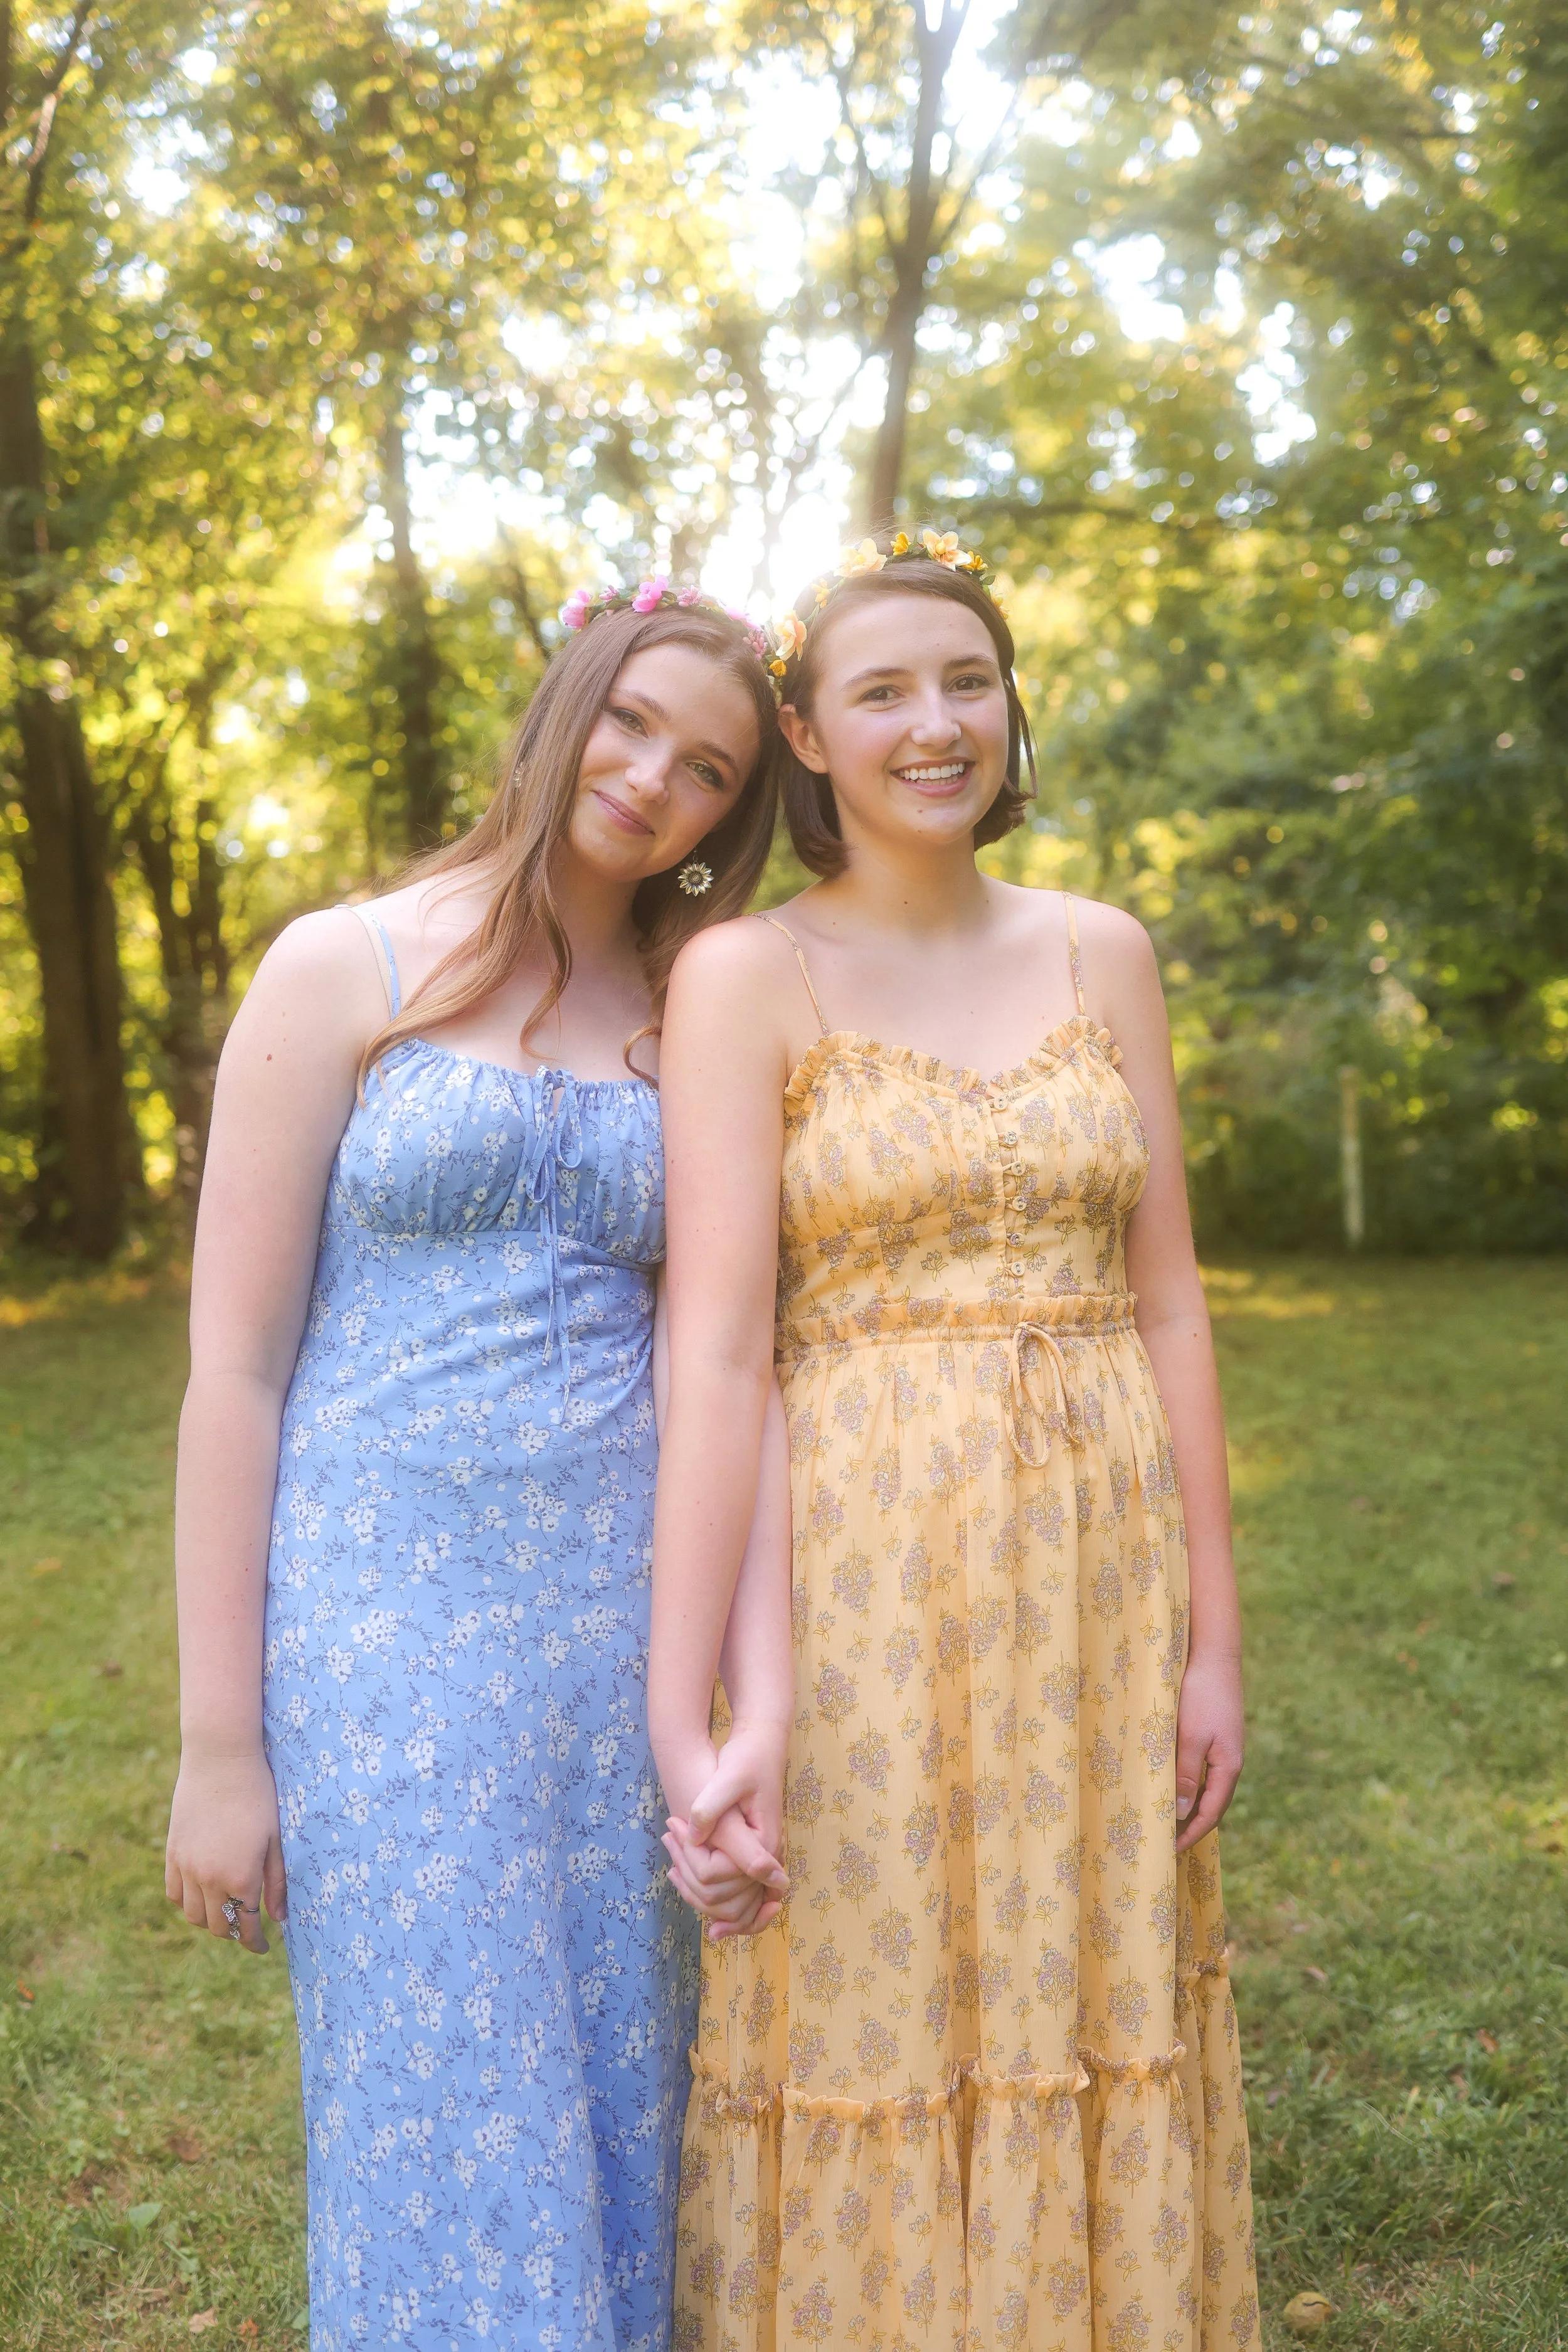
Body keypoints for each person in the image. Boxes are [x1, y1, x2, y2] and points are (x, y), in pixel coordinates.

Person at [164, 582, 791, 2352]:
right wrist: (224, 1744)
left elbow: (731, 1347)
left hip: (612, 1635)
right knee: (434, 2102)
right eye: (634, 720)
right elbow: (234, 1370)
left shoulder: (697, 1014)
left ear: (726, 819)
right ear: (566, 702)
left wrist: (731, 1682)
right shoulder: (344, 962)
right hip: (380, 1636)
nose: (653, 775)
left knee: (611, 2091)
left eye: (707, 768)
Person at [650, 531, 1258, 2350]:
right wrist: (684, 1701)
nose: (936, 723)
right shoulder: (743, 974)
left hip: (1098, 1553)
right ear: (806, 736)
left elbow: (1168, 1302)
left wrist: (1213, 1638)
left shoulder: (1101, 950)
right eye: (884, 690)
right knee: (874, 1986)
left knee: (1092, 1982)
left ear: (1008, 706)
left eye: (967, 681)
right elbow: (721, 1346)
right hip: (859, 1565)